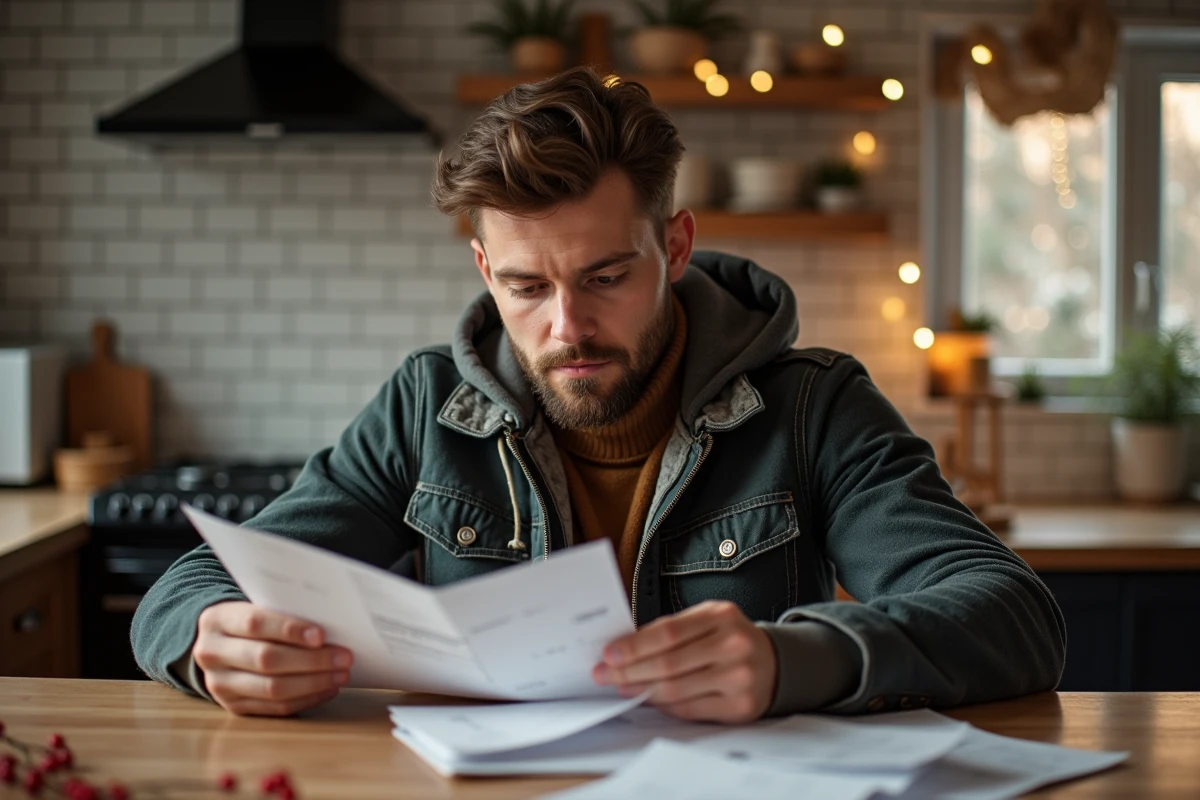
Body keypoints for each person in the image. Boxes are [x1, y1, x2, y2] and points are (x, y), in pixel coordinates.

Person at [132, 67, 1065, 720]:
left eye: (607, 277)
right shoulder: (425, 406)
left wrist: (796, 658)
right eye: (526, 288)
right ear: (483, 268)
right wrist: (214, 640)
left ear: (677, 247)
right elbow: (189, 585)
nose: (566, 326)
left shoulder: (816, 405)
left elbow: (1013, 615)